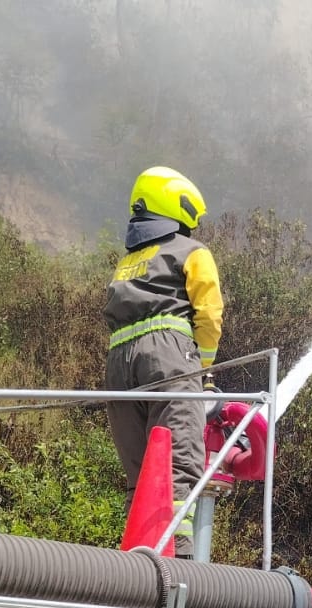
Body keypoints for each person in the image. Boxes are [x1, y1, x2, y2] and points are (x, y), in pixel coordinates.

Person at [104, 166, 222, 558]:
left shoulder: (129, 262)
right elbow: (209, 315)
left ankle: (138, 556)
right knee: (177, 459)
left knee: (140, 475)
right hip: (168, 356)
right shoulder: (193, 252)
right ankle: (181, 558)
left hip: (118, 364)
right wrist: (203, 377)